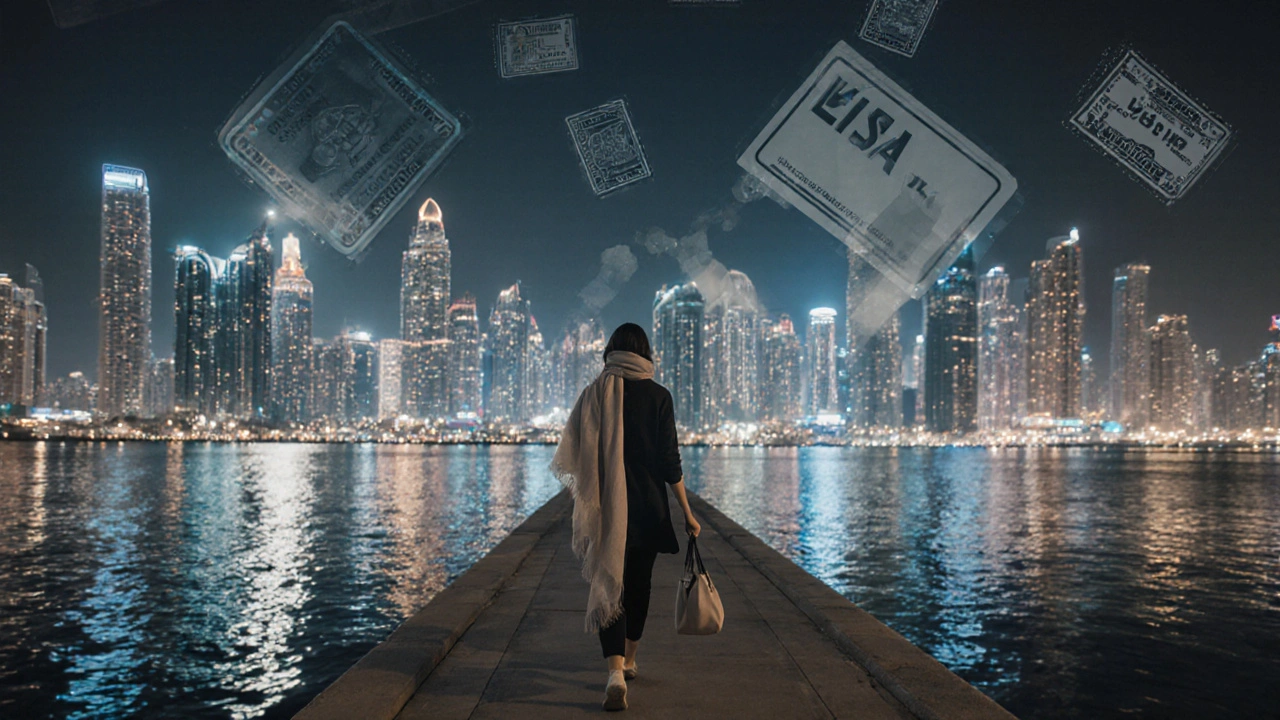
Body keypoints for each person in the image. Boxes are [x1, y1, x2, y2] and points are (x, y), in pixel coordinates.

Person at [552, 322, 701, 712]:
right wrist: (687, 512)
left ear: (611, 350)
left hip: (607, 510)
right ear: (646, 352)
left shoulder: (594, 395)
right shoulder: (659, 397)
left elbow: (576, 455)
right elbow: (671, 463)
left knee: (607, 583)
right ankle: (630, 659)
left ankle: (614, 672)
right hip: (649, 510)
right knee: (638, 587)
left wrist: (588, 497)